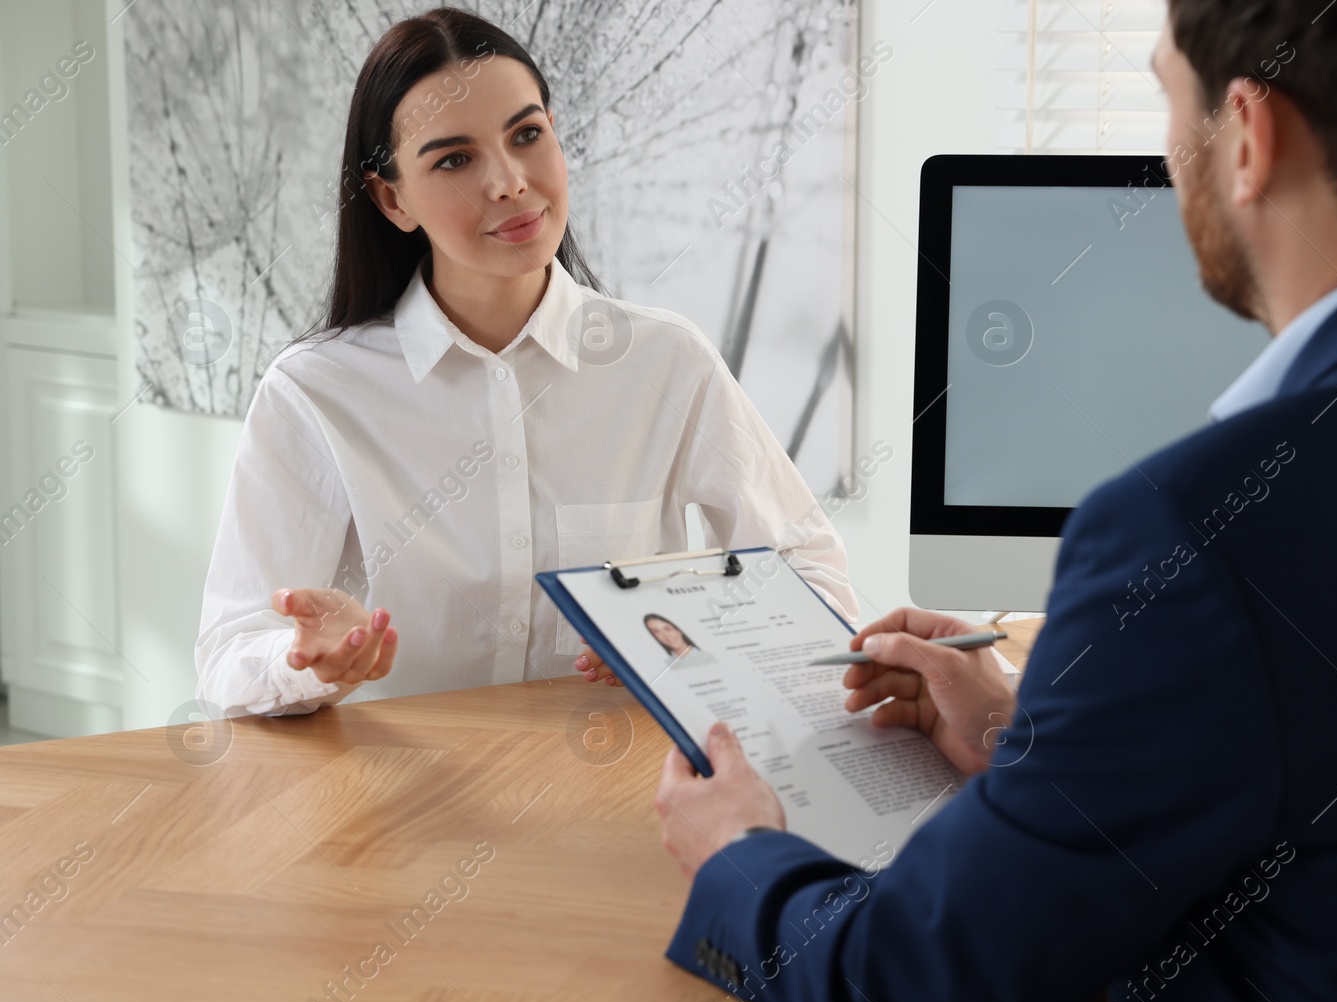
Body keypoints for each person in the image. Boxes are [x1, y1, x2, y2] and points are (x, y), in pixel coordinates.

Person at [652, 1, 1337, 1002]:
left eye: (1166, 97)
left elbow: (909, 990)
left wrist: (738, 852)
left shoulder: (1201, 525)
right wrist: (1039, 745)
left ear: (1249, 135)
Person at [194, 8, 855, 717]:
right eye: (454, 158)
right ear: (392, 199)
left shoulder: (666, 364)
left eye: (527, 135)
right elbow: (229, 659)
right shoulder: (315, 391)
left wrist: (696, 633)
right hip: (401, 807)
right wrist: (308, 665)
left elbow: (815, 580)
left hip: (625, 797)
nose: (509, 180)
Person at [644, 614, 716, 671]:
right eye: (656, 632)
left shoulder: (706, 658)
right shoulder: (664, 664)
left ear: (678, 630)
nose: (666, 636)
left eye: (667, 629)